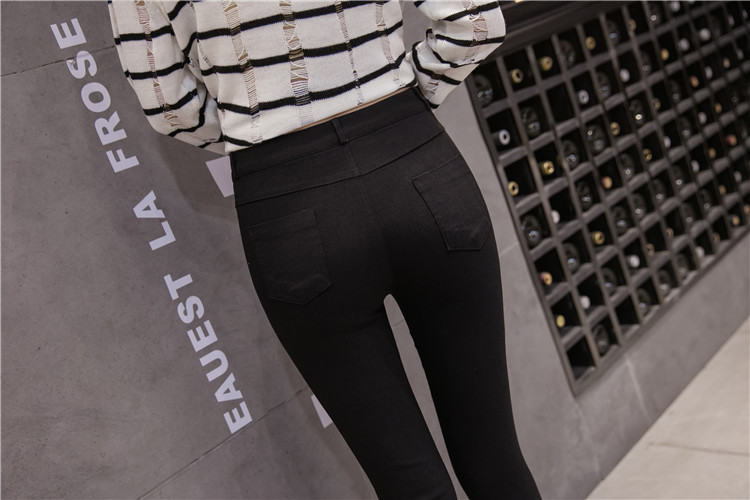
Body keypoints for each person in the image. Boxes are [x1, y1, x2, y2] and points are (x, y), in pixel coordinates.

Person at [109, 1, 541, 498]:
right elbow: (477, 22)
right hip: (415, 161)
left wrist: (259, 133)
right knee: (494, 457)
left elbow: (169, 104)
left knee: (411, 486)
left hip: (288, 199)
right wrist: (403, 102)